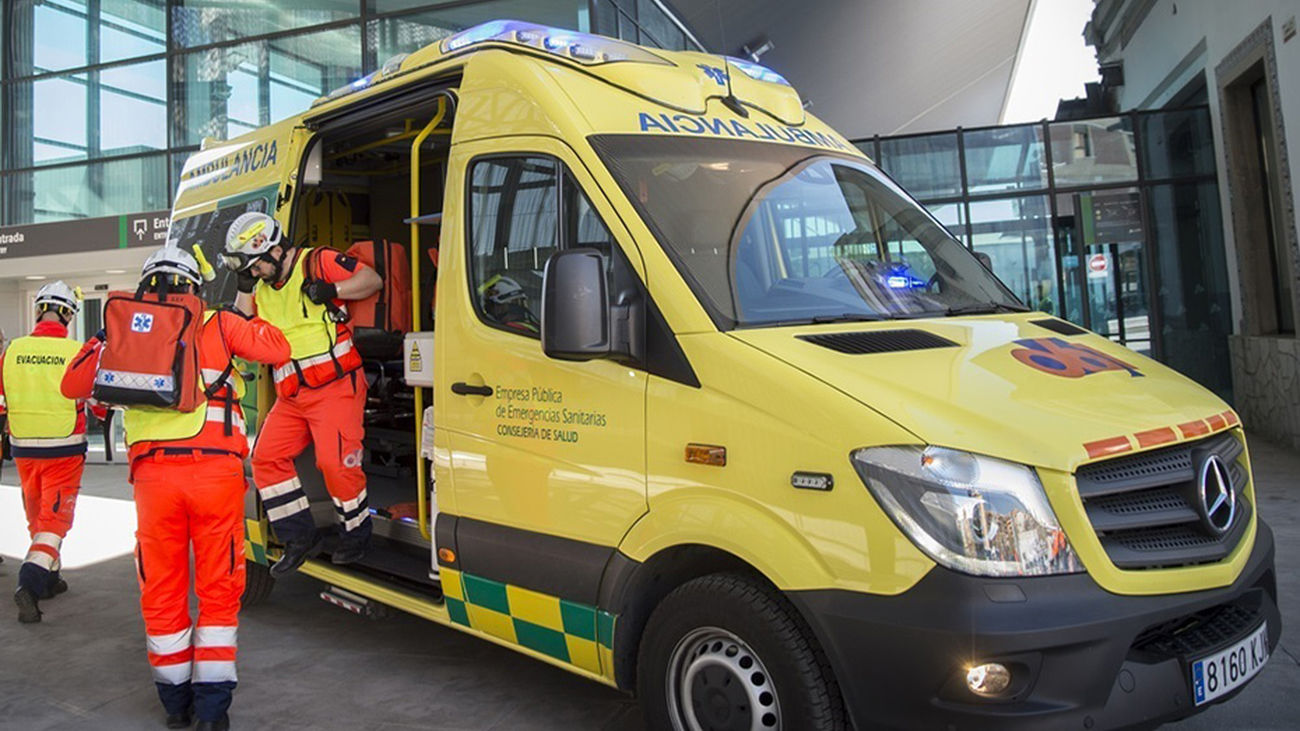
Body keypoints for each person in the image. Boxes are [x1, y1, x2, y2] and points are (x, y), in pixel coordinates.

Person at [62, 246, 290, 731]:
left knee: (162, 590)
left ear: (146, 287)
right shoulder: (218, 325)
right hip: (215, 478)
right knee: (218, 589)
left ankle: (174, 705)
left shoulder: (122, 334)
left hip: (153, 482)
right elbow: (278, 350)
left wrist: (105, 334)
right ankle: (212, 712)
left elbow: (72, 385)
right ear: (195, 287)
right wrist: (243, 313)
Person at [220, 212, 381, 576]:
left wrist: (333, 290)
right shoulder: (261, 288)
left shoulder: (317, 261)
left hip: (336, 387)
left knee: (335, 463)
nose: (256, 274)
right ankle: (300, 536)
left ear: (274, 250)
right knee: (264, 459)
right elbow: (240, 330)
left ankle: (356, 533)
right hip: (293, 394)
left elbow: (372, 279)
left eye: (255, 267)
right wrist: (245, 287)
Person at [0, 281, 94, 623]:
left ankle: (52, 577)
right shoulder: (76, 351)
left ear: (39, 310)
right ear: (68, 315)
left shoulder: (12, 351)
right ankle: (31, 582)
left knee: (38, 515)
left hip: (23, 447)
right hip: (65, 447)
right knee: (55, 520)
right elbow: (92, 395)